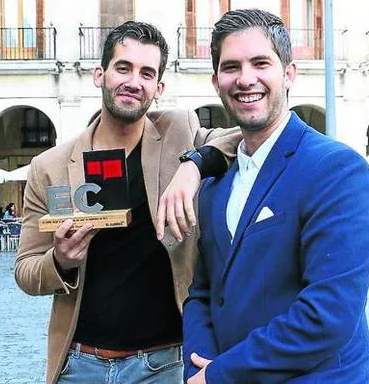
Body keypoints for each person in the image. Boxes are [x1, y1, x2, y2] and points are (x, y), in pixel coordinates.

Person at [15, 21, 241, 384]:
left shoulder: (179, 132)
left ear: (159, 87)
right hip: (80, 364)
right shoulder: (50, 167)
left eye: (146, 73)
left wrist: (195, 165)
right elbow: (25, 271)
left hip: (165, 363)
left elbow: (242, 136)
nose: (133, 81)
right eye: (123, 68)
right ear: (99, 74)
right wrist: (60, 261)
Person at [183, 9, 369, 384]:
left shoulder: (337, 169)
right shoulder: (215, 184)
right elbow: (203, 292)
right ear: (216, 80)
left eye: (261, 63)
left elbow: (328, 315)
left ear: (289, 73)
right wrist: (197, 365)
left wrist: (221, 374)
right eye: (231, 67)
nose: (245, 79)